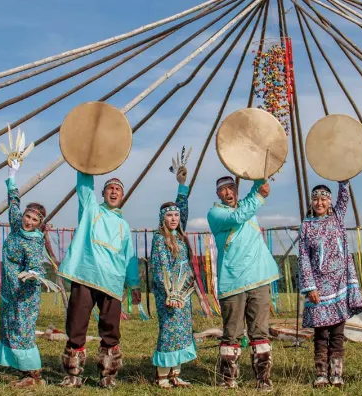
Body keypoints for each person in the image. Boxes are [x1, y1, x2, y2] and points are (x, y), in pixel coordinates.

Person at [57, 172, 141, 388]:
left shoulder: (123, 226)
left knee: (111, 329)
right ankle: (73, 374)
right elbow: (84, 187)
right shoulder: (91, 210)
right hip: (86, 276)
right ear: (103, 193)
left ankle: (108, 375)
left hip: (112, 282)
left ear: (122, 196)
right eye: (110, 188)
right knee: (76, 324)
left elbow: (129, 257)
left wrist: (134, 284)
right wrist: (86, 163)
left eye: (118, 189)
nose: (114, 192)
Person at [207, 175, 277, 390]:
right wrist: (259, 197)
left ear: (236, 190)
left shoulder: (246, 205)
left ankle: (263, 380)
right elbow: (238, 216)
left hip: (259, 277)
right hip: (233, 282)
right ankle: (228, 380)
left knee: (260, 332)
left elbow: (257, 186)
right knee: (232, 333)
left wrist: (263, 173)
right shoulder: (216, 214)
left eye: (231, 188)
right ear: (217, 194)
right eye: (223, 189)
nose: (228, 192)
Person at [297, 182, 362, 388]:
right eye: (315, 199)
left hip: (339, 285)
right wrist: (310, 286)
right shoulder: (306, 225)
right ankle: (321, 374)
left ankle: (336, 374)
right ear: (311, 201)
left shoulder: (337, 217)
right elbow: (303, 257)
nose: (319, 203)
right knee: (321, 333)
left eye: (323, 199)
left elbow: (344, 196)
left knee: (337, 332)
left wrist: (343, 177)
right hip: (318, 287)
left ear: (329, 201)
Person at [0, 157, 48, 387]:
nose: (29, 221)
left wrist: (34, 273)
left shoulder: (34, 241)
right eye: (28, 216)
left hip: (25, 294)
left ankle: (33, 375)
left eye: (35, 220)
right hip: (10, 289)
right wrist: (12, 174)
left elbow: (36, 265)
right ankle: (23, 370)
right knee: (9, 328)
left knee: (22, 331)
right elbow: (13, 202)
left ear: (39, 223)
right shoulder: (17, 225)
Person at [149, 164, 196, 388]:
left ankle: (176, 374)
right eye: (170, 215)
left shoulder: (179, 236)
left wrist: (182, 185)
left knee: (183, 331)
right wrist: (171, 294)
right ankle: (162, 376)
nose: (175, 218)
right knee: (169, 331)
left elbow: (184, 208)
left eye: (176, 215)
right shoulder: (160, 239)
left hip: (183, 293)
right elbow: (161, 269)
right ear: (162, 218)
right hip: (169, 294)